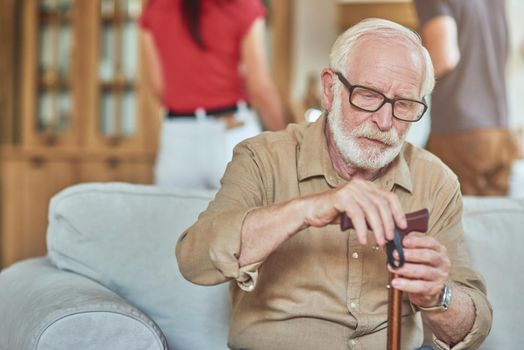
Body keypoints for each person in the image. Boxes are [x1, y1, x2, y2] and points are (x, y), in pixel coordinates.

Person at [176, 19, 492, 350]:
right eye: (368, 96)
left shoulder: (436, 181)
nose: (384, 122)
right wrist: (309, 208)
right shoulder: (263, 158)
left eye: (404, 104)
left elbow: (471, 329)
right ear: (330, 90)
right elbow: (195, 261)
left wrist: (438, 295)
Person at [139, 0, 287, 190]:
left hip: (177, 138)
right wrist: (286, 144)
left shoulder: (155, 7)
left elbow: (159, 87)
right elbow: (260, 90)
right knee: (246, 217)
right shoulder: (243, 5)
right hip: (231, 135)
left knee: (175, 217)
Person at [414, 0, 519, 196]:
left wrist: (403, 84)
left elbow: (444, 57)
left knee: (454, 219)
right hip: (499, 130)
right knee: (492, 219)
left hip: (458, 132)